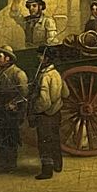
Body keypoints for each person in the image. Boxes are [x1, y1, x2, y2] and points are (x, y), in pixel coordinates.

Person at [0, 45, 30, 170]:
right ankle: (3, 159)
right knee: (0, 135)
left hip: (10, 112)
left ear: (8, 59)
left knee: (10, 137)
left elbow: (24, 93)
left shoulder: (18, 73)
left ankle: (10, 163)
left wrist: (13, 103)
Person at [30, 52, 66, 180]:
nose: (38, 57)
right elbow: (66, 93)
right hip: (56, 113)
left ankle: (47, 171)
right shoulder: (56, 73)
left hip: (45, 115)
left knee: (44, 142)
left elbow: (45, 101)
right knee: (55, 139)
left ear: (46, 59)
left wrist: (35, 110)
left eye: (40, 56)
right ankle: (58, 165)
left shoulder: (45, 76)